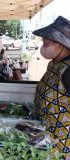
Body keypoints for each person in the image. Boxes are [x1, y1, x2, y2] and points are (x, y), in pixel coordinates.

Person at [33, 16, 70, 159]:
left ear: (61, 43)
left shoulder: (68, 70)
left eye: (47, 41)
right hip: (45, 140)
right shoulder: (54, 63)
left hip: (61, 147)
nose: (44, 43)